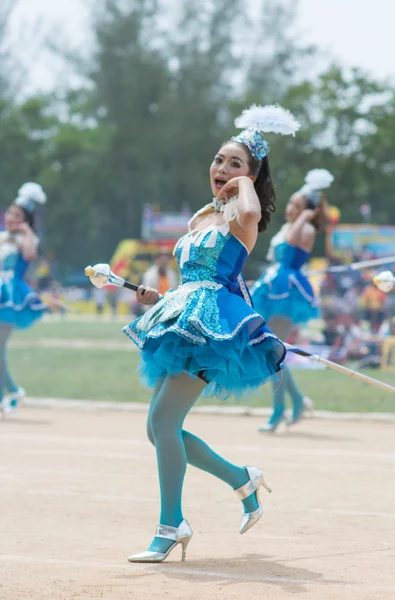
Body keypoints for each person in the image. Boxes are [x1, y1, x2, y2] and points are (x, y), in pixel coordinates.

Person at [122, 104, 300, 562]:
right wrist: (155, 295)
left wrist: (245, 182)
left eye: (234, 163)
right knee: (157, 428)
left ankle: (171, 524)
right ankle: (242, 478)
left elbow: (249, 210)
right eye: (219, 160)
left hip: (214, 330)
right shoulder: (201, 216)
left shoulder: (246, 217)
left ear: (252, 177)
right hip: (180, 317)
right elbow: (192, 278)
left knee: (163, 424)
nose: (221, 169)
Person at [251, 169, 333, 431]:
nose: (290, 209)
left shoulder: (305, 228)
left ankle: (280, 411)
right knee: (270, 353)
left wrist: (307, 215)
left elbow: (292, 240)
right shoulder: (290, 225)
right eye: (290, 204)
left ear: (307, 210)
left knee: (272, 353)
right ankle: (295, 401)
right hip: (272, 286)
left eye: (297, 206)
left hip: (288, 293)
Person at [0, 182, 47, 416]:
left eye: (17, 215)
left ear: (26, 219)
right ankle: (14, 390)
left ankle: (6, 395)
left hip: (10, 296)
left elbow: (30, 255)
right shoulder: (2, 237)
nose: (11, 218)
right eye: (9, 213)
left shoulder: (25, 239)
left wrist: (26, 231)